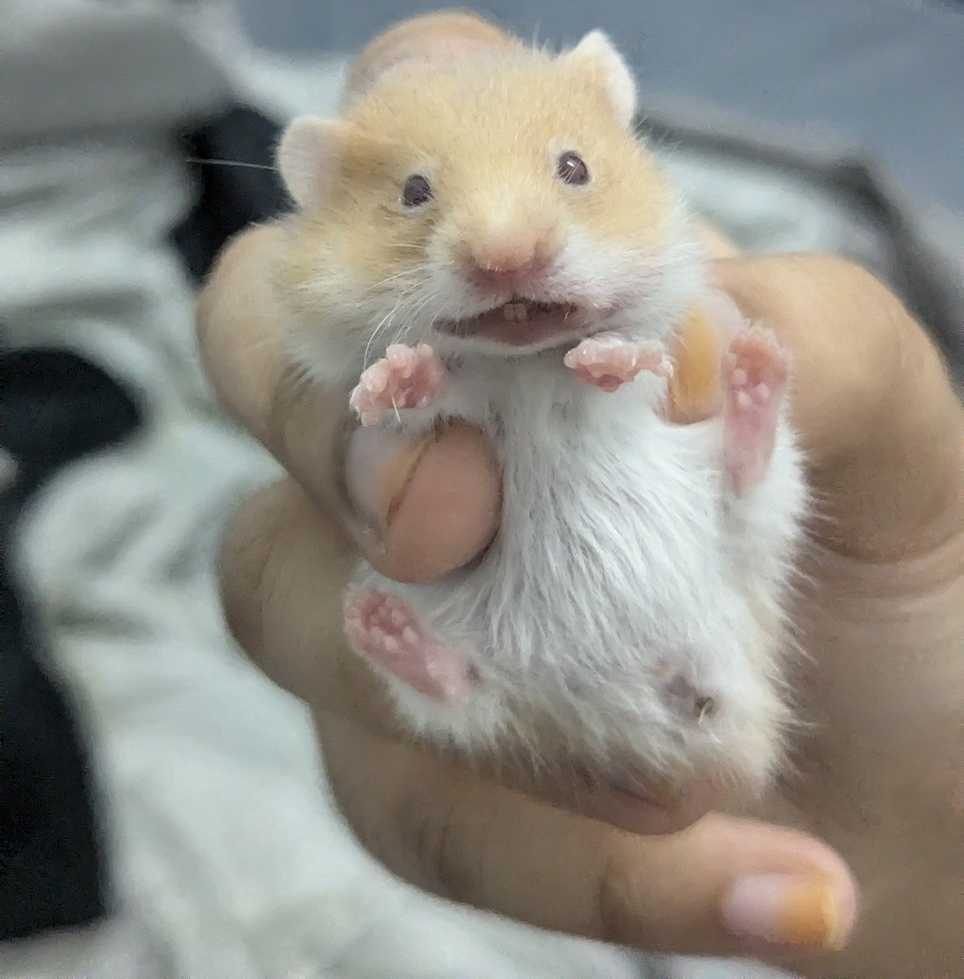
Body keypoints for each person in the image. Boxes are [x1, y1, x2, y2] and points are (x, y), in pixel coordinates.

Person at [198, 221, 962, 978]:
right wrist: (413, 392)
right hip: (563, 675)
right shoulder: (436, 345)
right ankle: (445, 677)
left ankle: (746, 445)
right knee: (431, 608)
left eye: (565, 170)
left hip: (703, 662)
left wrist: (636, 364)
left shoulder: (631, 298)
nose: (503, 250)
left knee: (734, 495)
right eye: (421, 200)